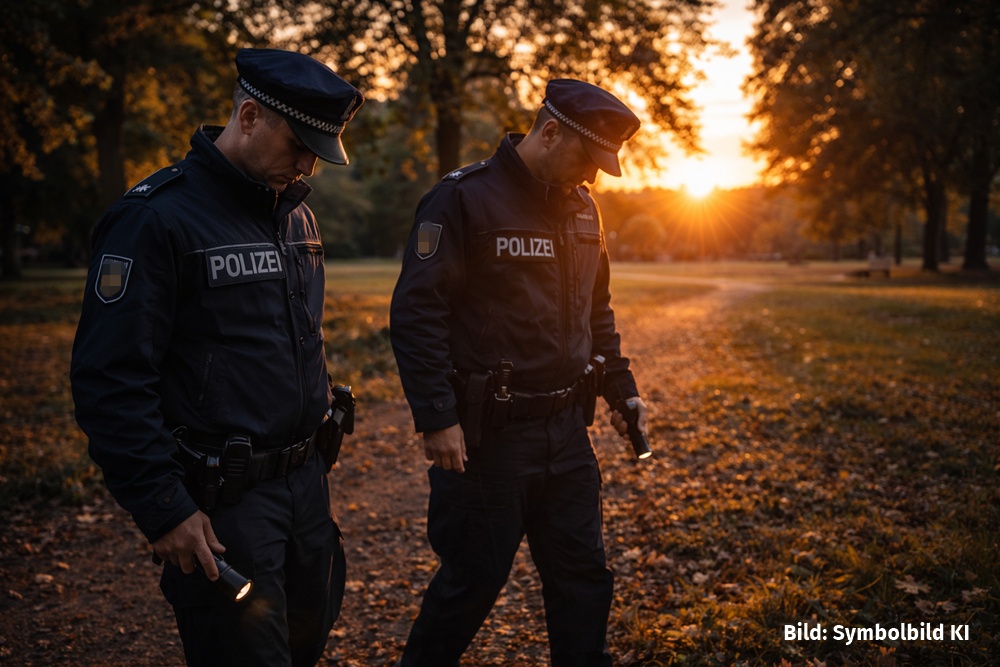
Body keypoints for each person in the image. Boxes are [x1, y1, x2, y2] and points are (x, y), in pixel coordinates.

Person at [70, 48, 364, 667]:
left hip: (306, 489)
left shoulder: (297, 214)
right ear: (250, 116)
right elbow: (110, 381)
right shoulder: (154, 219)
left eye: (319, 148)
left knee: (306, 644)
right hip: (226, 504)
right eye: (299, 143)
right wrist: (164, 509)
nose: (309, 162)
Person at [389, 78, 650, 667]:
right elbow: (416, 313)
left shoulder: (585, 208)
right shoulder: (462, 200)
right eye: (587, 158)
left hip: (567, 435)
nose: (591, 177)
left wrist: (619, 388)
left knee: (584, 577)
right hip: (490, 442)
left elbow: (596, 310)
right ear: (551, 131)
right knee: (471, 583)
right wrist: (436, 417)